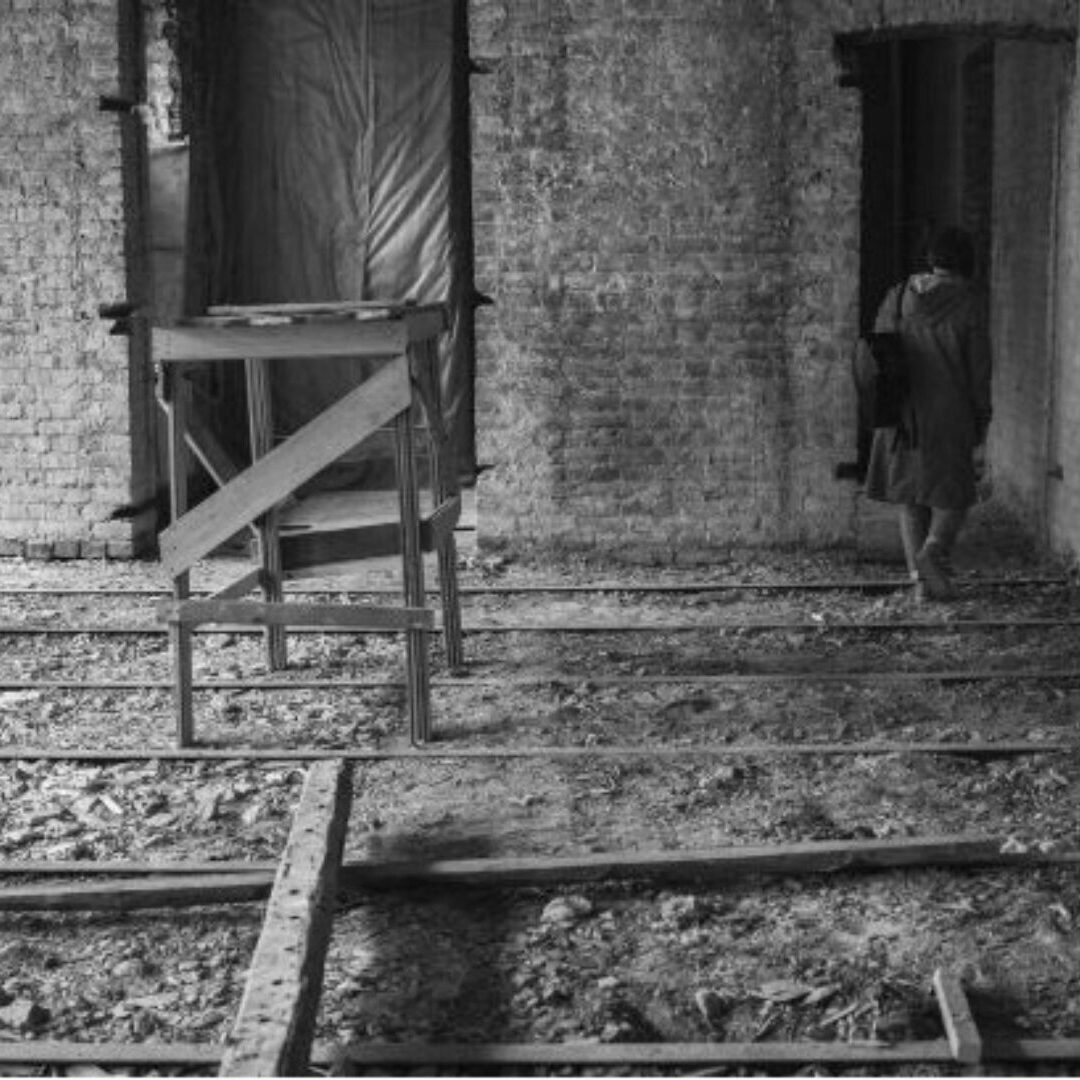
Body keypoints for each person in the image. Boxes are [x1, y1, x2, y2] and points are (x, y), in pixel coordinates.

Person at [864, 226, 992, 600]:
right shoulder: (969, 304)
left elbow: (878, 349)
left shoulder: (898, 295)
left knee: (911, 497)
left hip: (901, 412)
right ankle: (933, 551)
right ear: (966, 260)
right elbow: (980, 370)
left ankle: (919, 585)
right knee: (956, 495)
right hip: (949, 412)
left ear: (932, 259)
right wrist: (982, 415)